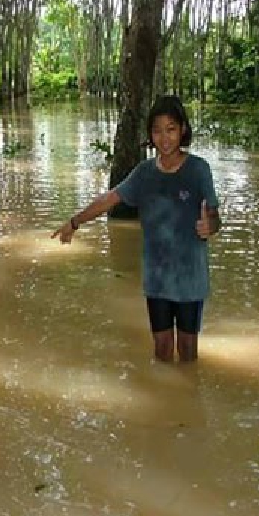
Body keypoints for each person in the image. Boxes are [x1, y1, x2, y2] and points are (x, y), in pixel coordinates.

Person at [51, 96, 220, 362]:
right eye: (157, 130)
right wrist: (75, 222)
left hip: (190, 279)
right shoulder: (144, 174)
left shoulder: (199, 170)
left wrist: (210, 226)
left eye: (171, 129)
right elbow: (109, 199)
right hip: (157, 279)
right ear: (150, 134)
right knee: (162, 348)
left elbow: (214, 216)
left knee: (188, 350)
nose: (164, 138)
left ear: (183, 130)